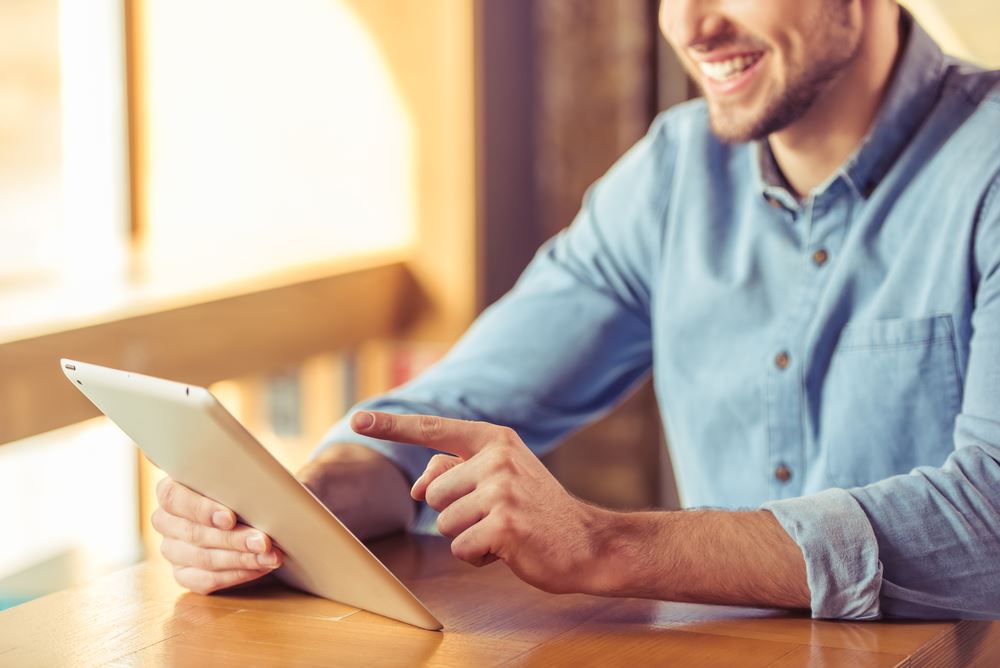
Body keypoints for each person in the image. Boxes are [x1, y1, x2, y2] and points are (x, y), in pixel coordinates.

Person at [150, 0, 1000, 620]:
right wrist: (283, 512)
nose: (692, 25)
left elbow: (989, 522)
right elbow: (444, 417)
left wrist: (607, 546)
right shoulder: (673, 176)